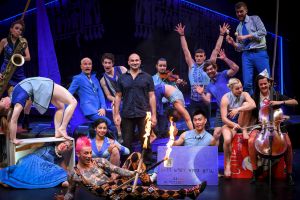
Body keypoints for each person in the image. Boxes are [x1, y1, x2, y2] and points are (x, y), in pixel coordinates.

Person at [57, 136, 206, 200]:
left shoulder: (99, 161)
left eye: (90, 152)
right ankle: (185, 193)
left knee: (135, 156)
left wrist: (132, 173)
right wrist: (64, 198)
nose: (89, 156)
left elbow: (117, 170)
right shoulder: (74, 174)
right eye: (85, 154)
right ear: (78, 154)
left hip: (116, 183)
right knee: (145, 191)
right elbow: (70, 193)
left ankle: (150, 186)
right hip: (111, 193)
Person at [248, 72, 298, 185]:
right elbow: (250, 111)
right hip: (261, 125)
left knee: (289, 145)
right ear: (258, 85)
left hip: (277, 126)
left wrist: (280, 102)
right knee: (251, 141)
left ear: (269, 84)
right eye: (261, 85)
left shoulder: (275, 95)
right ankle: (255, 172)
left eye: (265, 84)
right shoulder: (254, 97)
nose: (264, 86)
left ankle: (289, 173)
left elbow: (295, 102)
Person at [175, 23, 228, 127]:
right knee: (194, 123)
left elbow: (216, 50)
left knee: (206, 124)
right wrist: (182, 35)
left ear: (204, 57)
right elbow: (185, 50)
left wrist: (222, 35)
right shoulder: (192, 65)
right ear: (195, 57)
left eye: (201, 56)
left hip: (205, 100)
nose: (198, 58)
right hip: (193, 101)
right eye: (197, 56)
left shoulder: (208, 65)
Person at [0, 77, 77, 144]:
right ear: (7, 106)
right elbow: (13, 120)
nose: (2, 98)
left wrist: (26, 116)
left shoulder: (13, 96)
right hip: (44, 86)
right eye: (2, 101)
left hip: (42, 87)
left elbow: (28, 101)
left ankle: (57, 132)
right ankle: (63, 128)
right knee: (73, 102)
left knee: (60, 107)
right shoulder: (18, 103)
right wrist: (13, 139)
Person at [114, 53, 157, 158]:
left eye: (136, 60)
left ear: (140, 62)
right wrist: (116, 114)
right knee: (127, 142)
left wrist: (154, 115)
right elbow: (118, 97)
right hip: (127, 114)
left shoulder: (147, 77)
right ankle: (127, 166)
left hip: (143, 114)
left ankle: (146, 165)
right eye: (132, 60)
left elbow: (152, 96)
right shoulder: (122, 78)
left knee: (145, 141)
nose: (134, 62)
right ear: (128, 62)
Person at [226, 1, 270, 95]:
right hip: (246, 55)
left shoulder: (255, 19)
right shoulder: (238, 28)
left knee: (266, 80)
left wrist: (246, 36)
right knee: (247, 84)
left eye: (241, 11)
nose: (239, 14)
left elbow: (263, 32)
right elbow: (241, 47)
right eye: (237, 12)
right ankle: (251, 107)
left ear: (246, 10)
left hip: (259, 52)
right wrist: (233, 43)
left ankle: (269, 105)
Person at [202, 49, 239, 146]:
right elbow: (208, 101)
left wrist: (225, 58)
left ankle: (232, 155)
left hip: (233, 107)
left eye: (211, 68)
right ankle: (213, 157)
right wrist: (202, 94)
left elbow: (236, 68)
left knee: (232, 133)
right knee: (216, 134)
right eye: (208, 70)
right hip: (221, 110)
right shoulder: (209, 86)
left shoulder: (223, 74)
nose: (210, 71)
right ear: (206, 72)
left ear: (215, 68)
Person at [0, 140, 73, 189]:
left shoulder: (61, 158)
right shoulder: (49, 144)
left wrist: (68, 174)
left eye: (67, 146)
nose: (64, 145)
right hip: (31, 161)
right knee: (10, 182)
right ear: (60, 142)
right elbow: (31, 146)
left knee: (58, 170)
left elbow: (64, 170)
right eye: (64, 143)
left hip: (40, 170)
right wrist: (16, 149)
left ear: (68, 150)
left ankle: (62, 181)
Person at [68, 57, 113, 136]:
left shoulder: (94, 78)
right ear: (81, 66)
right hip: (89, 110)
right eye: (85, 64)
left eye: (89, 64)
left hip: (99, 110)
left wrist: (103, 107)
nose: (87, 66)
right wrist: (68, 108)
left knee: (102, 126)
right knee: (107, 123)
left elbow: (100, 94)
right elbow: (68, 94)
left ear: (92, 66)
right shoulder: (77, 78)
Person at [220, 78, 256, 177]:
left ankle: (244, 129)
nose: (240, 90)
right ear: (231, 89)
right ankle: (227, 165)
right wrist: (233, 125)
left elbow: (253, 105)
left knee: (246, 104)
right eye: (237, 88)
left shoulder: (244, 94)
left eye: (241, 87)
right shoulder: (225, 98)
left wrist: (238, 109)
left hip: (243, 121)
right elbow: (224, 118)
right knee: (227, 140)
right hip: (230, 124)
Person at [0, 19, 32, 130]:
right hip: (6, 72)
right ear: (11, 29)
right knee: (11, 100)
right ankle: (8, 125)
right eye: (16, 28)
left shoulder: (23, 41)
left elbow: (28, 57)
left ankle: (26, 118)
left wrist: (18, 56)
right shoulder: (4, 41)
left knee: (29, 96)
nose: (19, 31)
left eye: (20, 29)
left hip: (19, 73)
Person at [152, 57, 185, 137]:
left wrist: (177, 83)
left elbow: (175, 93)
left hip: (165, 106)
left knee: (163, 129)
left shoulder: (170, 78)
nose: (163, 68)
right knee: (155, 127)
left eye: (164, 66)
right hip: (155, 105)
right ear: (156, 66)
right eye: (160, 66)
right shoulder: (152, 78)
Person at [99, 53, 127, 143]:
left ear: (113, 63)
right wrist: (115, 100)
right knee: (114, 107)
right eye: (105, 63)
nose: (107, 65)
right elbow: (108, 95)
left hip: (129, 96)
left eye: (109, 63)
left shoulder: (122, 69)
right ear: (102, 63)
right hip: (117, 100)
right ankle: (119, 135)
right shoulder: (103, 80)